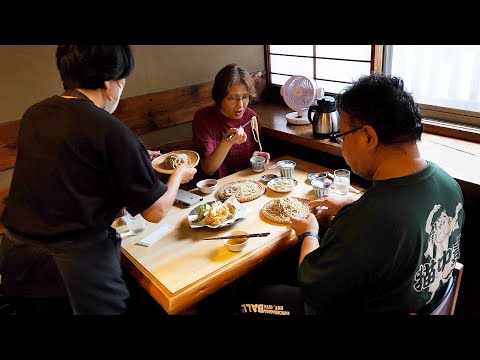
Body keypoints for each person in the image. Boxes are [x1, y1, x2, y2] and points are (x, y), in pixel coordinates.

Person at [238, 73, 465, 316]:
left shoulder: (368, 221)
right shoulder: (448, 184)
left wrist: (309, 233)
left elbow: (309, 280)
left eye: (342, 136)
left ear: (368, 136)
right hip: (412, 299)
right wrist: (355, 201)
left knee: (252, 299)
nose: (342, 146)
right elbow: (401, 216)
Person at [0, 45, 197, 315]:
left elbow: (76, 166)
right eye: (122, 83)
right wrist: (178, 174)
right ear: (110, 85)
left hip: (17, 263)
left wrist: (135, 158)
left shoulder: (36, 114)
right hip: (74, 272)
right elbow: (156, 210)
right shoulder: (111, 130)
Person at [192, 63, 270, 181]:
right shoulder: (204, 118)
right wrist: (227, 142)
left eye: (245, 97)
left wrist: (255, 157)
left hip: (246, 183)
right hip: (214, 188)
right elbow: (208, 169)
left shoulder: (251, 117)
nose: (240, 105)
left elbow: (253, 152)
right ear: (219, 97)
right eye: (232, 98)